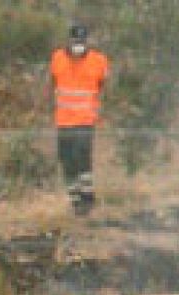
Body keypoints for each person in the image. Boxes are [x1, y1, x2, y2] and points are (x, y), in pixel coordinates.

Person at [49, 23, 110, 215]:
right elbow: (53, 84)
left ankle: (87, 196)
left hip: (85, 119)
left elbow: (102, 86)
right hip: (63, 120)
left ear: (87, 42)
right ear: (69, 41)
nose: (78, 45)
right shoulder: (57, 58)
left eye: (81, 42)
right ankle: (75, 199)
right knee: (66, 161)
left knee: (82, 157)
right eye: (75, 41)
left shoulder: (99, 60)